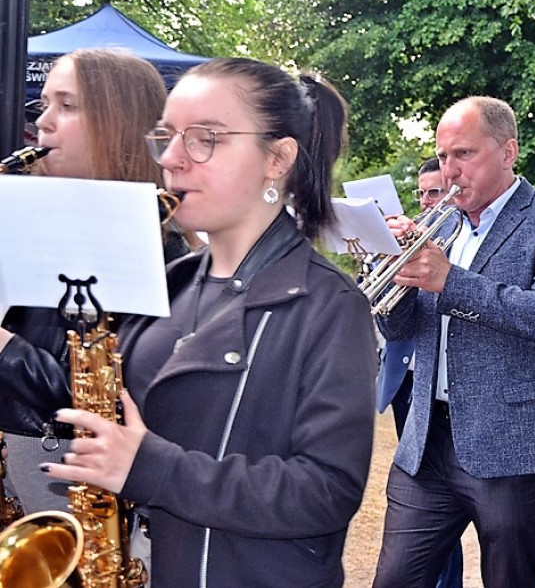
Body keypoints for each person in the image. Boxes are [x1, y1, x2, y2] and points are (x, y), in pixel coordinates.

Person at [11, 57, 376, 587]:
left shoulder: (330, 304)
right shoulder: (171, 283)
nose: (174, 159)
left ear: (278, 158)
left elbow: (326, 492)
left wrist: (149, 469)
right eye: (167, 136)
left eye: (205, 138)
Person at [372, 96, 535, 588]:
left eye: (464, 155)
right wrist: (391, 277)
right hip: (427, 441)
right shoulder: (440, 224)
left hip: (511, 442)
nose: (449, 171)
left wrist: (449, 280)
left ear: (508, 151)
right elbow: (401, 330)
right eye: (443, 156)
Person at [0, 48, 191, 516]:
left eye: (67, 106)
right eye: (44, 104)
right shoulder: (39, 221)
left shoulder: (160, 251)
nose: (42, 122)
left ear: (118, 122)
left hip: (67, 469)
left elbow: (106, 394)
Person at [375, 156, 464, 588]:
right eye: (424, 193)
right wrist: (388, 265)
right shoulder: (419, 236)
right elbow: (392, 324)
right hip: (411, 386)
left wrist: (443, 272)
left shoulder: (458, 236)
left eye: (435, 191)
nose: (430, 201)